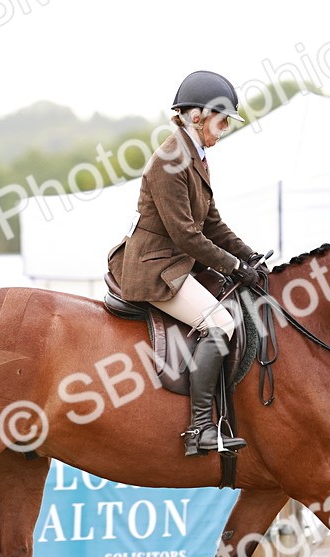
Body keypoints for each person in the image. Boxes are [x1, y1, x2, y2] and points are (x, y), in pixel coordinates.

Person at [107, 70, 265, 458]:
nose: (224, 128)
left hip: (179, 261)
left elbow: (211, 222)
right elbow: (185, 235)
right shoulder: (170, 160)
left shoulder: (197, 157)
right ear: (196, 115)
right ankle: (200, 428)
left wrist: (249, 255)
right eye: (221, 119)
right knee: (220, 322)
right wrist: (232, 266)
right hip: (154, 265)